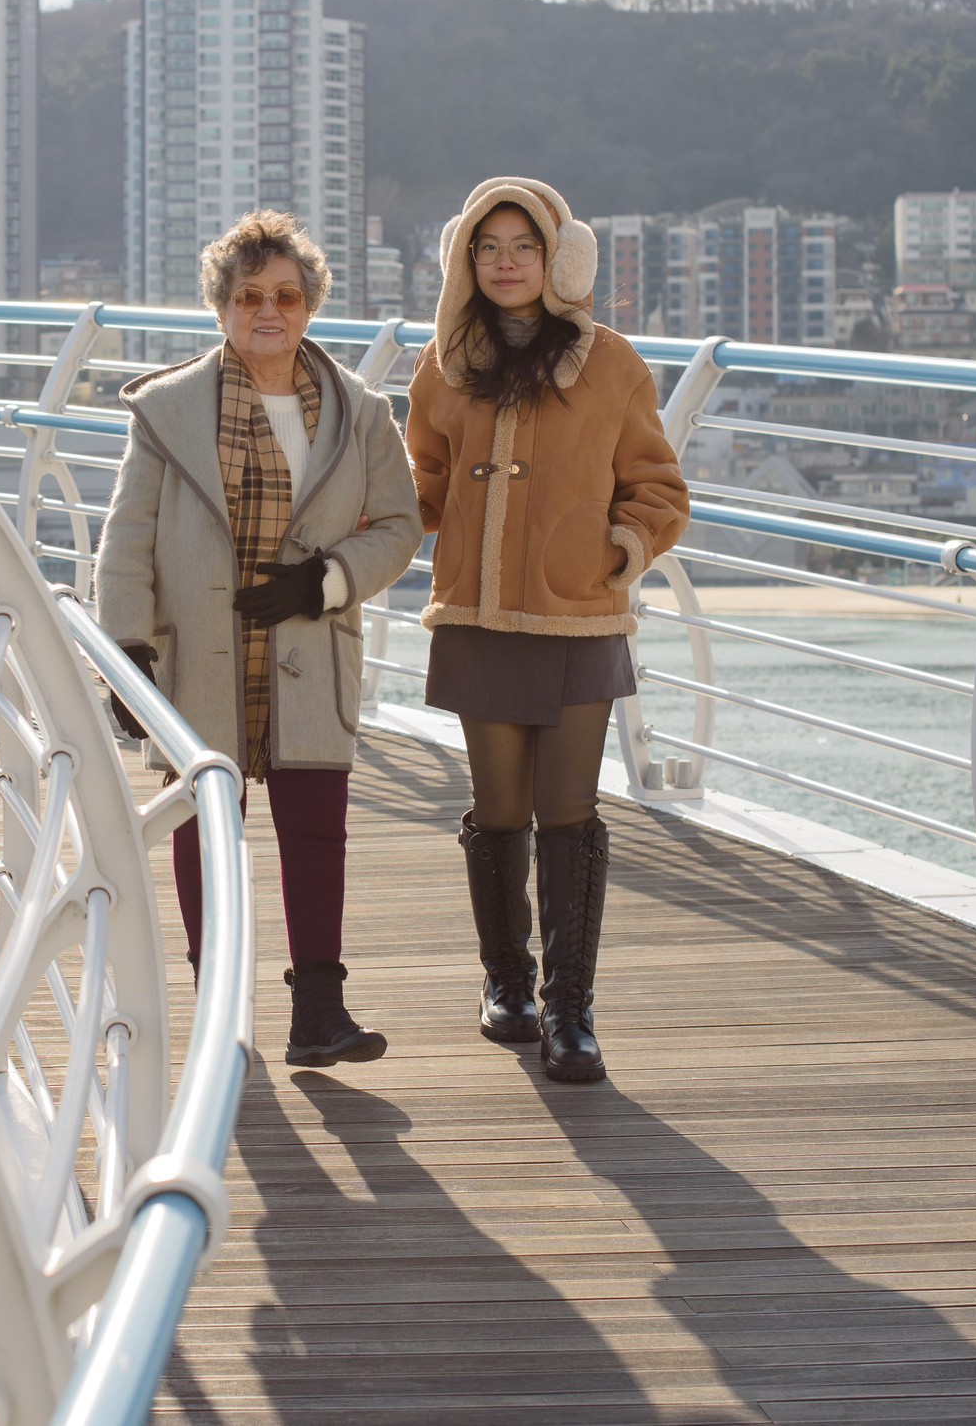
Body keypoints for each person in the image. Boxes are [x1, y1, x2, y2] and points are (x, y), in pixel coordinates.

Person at [97, 209, 422, 1067]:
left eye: (285, 295)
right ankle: (219, 1017)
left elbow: (400, 523)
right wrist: (126, 652)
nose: (268, 311)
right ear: (221, 308)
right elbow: (126, 541)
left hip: (309, 641)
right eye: (248, 296)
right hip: (197, 646)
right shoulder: (166, 411)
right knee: (207, 824)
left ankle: (320, 1011)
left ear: (310, 306)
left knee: (316, 828)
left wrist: (326, 581)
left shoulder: (362, 412)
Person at [408, 177, 689, 1084]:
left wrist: (617, 547)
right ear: (465, 258)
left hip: (578, 614)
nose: (505, 263)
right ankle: (507, 983)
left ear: (559, 257)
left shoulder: (612, 363)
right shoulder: (444, 364)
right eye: (487, 247)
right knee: (499, 809)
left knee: (569, 808)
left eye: (522, 246)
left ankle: (572, 1009)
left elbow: (659, 487)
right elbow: (419, 484)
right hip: (477, 614)